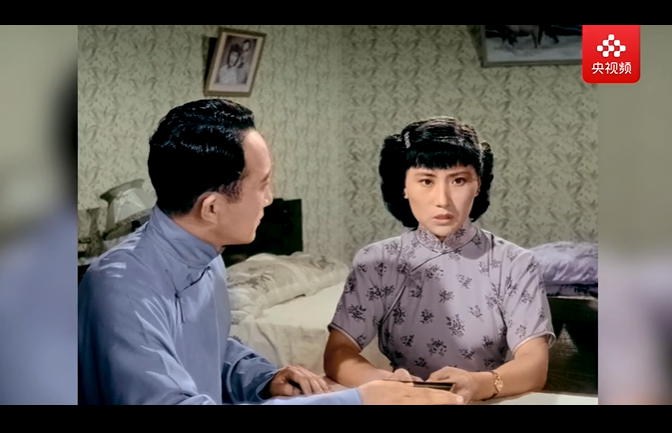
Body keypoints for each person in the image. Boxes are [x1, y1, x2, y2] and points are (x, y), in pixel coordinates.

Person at [78, 99, 465, 406]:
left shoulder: (206, 255)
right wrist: (358, 400)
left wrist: (264, 379)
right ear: (211, 208)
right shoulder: (121, 287)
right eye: (262, 185)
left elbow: (210, 351)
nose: (269, 198)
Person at [324, 116, 556, 403]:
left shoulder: (514, 263)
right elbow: (338, 352)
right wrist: (385, 383)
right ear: (404, 186)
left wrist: (477, 384)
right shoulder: (376, 261)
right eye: (426, 181)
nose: (443, 199)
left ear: (478, 185)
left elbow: (534, 364)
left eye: (458, 180)